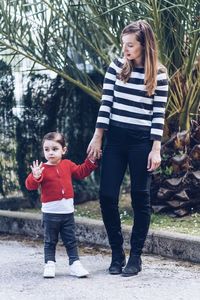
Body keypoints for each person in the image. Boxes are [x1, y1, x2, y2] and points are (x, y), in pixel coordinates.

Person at [87, 20, 168, 277]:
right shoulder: (116, 67)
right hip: (116, 139)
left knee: (140, 197)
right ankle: (116, 253)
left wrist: (156, 149)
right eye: (123, 44)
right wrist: (98, 137)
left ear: (145, 45)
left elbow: (158, 115)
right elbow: (106, 104)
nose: (125, 50)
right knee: (107, 195)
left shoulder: (159, 75)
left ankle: (135, 257)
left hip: (141, 142)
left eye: (130, 45)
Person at [25, 132, 97, 278]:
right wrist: (35, 176)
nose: (50, 152)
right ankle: (49, 264)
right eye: (47, 149)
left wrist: (90, 161)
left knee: (71, 241)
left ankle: (75, 264)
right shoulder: (42, 169)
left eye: (54, 149)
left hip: (67, 213)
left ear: (64, 150)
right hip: (50, 214)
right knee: (50, 241)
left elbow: (81, 172)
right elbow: (30, 186)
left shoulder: (67, 165)